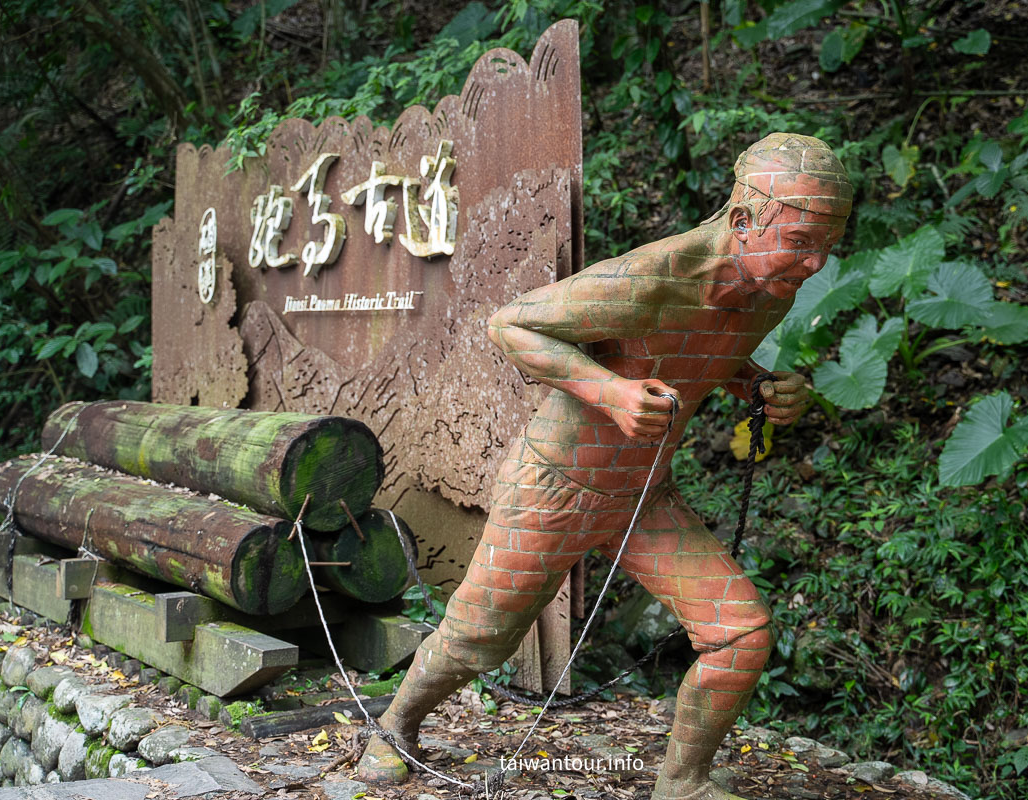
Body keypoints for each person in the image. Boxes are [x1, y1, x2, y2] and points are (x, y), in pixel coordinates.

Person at [357, 132, 853, 800]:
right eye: (799, 241)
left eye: (827, 242)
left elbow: (699, 352)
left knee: (740, 633)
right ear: (743, 221)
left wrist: (759, 385)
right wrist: (610, 392)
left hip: (645, 493)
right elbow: (511, 326)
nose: (815, 262)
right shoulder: (649, 279)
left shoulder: (771, 286)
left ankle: (682, 783)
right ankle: (393, 727)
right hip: (557, 485)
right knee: (479, 638)